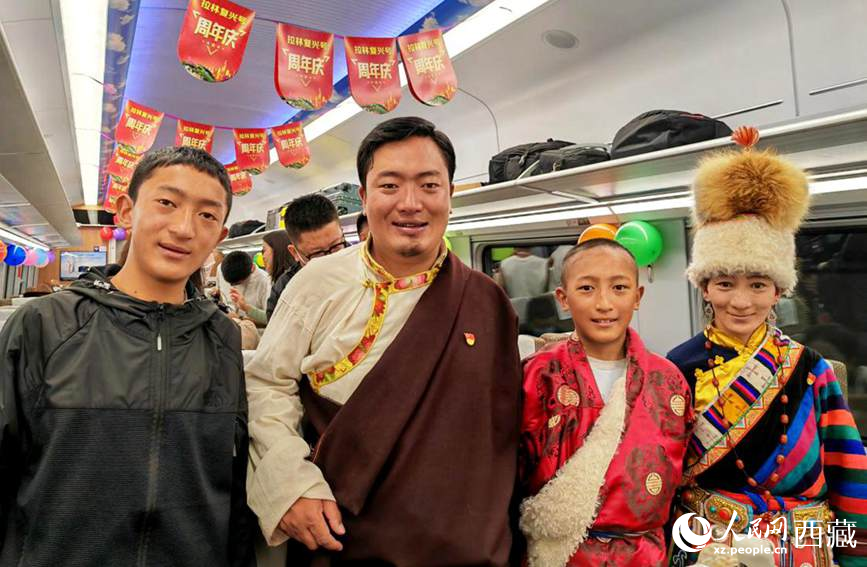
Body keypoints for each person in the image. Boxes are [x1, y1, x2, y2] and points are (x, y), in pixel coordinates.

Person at [245, 116, 521, 565]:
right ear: (364, 197)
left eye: (429, 186)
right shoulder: (316, 283)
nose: (410, 204)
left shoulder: (488, 302)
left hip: (467, 544)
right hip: (340, 534)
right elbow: (266, 385)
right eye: (390, 186)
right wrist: (290, 484)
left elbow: (501, 438)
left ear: (450, 194)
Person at [0, 146, 254, 565]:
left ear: (220, 237)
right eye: (167, 203)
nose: (184, 228)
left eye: (207, 215)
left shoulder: (222, 338)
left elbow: (233, 480)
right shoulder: (45, 325)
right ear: (126, 212)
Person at [666, 128, 867, 565]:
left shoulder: (812, 369)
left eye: (758, 285)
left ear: (778, 291)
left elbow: (848, 467)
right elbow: (662, 475)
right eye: (725, 283)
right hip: (709, 544)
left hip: (801, 545)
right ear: (704, 286)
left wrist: (856, 557)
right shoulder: (676, 367)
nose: (741, 302)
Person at [519, 238, 693, 566]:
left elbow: (682, 476)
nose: (604, 303)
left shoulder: (668, 380)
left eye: (619, 288)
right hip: (556, 556)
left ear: (637, 297)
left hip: (644, 555)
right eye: (587, 288)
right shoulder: (536, 376)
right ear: (563, 298)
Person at [264, 194, 346, 322]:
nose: (330, 259)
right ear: (294, 253)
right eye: (317, 254)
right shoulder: (284, 292)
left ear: (342, 232)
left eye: (336, 246)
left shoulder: (365, 264)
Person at [219, 250, 271, 326]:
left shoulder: (265, 282)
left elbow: (269, 319)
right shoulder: (227, 269)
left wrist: (241, 318)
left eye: (238, 283)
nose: (234, 286)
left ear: (252, 268)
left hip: (256, 331)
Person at [260, 230, 295, 321]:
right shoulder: (281, 281)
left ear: (277, 250)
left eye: (264, 251)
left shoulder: (287, 283)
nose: (263, 256)